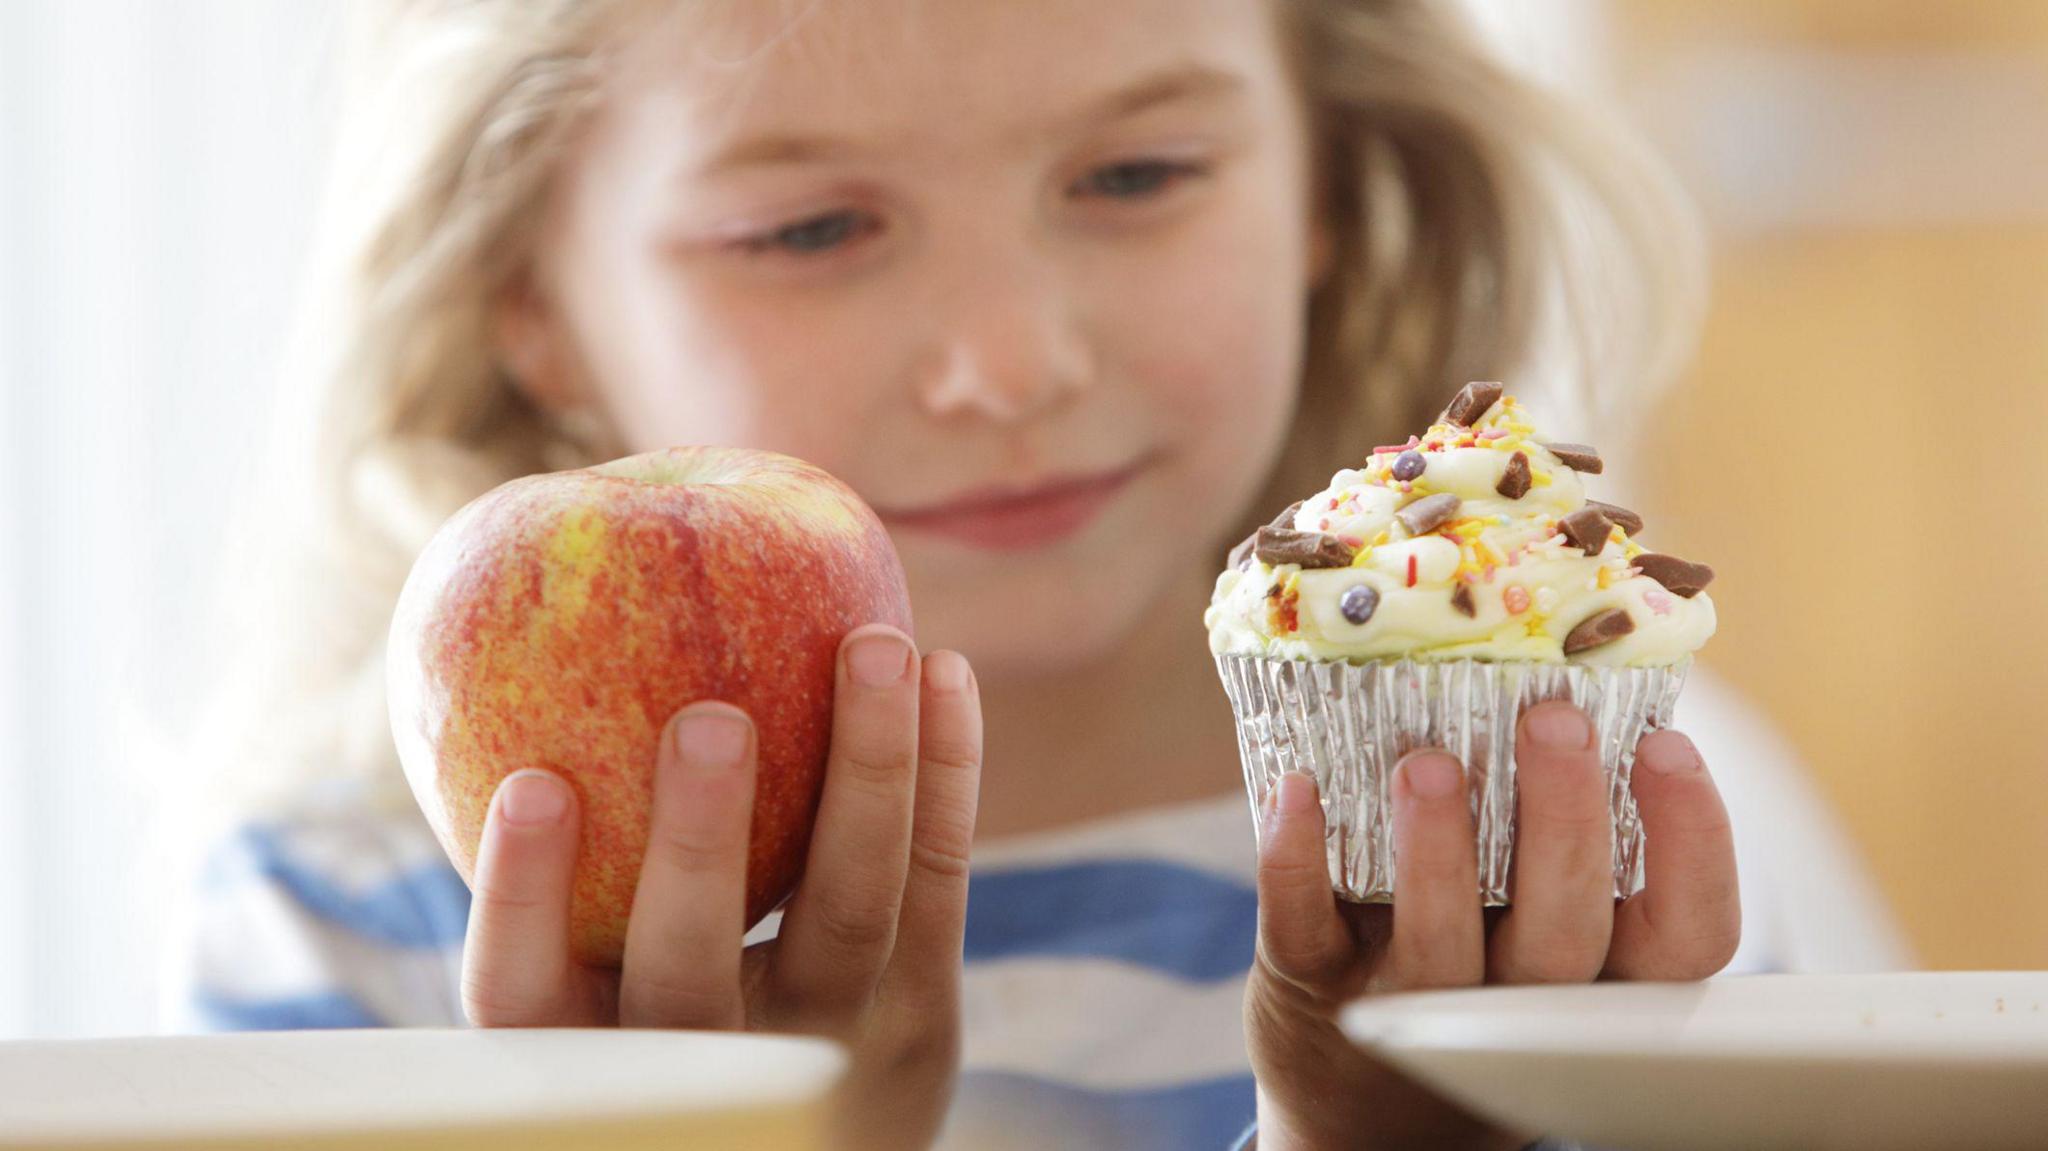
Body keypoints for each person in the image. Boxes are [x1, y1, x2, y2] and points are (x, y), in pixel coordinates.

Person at [165, 2, 1910, 1148]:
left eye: (1139, 174)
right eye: (811, 230)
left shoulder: (1574, 842)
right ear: (528, 305)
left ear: (1329, 189)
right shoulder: (353, 928)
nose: (1007, 362)